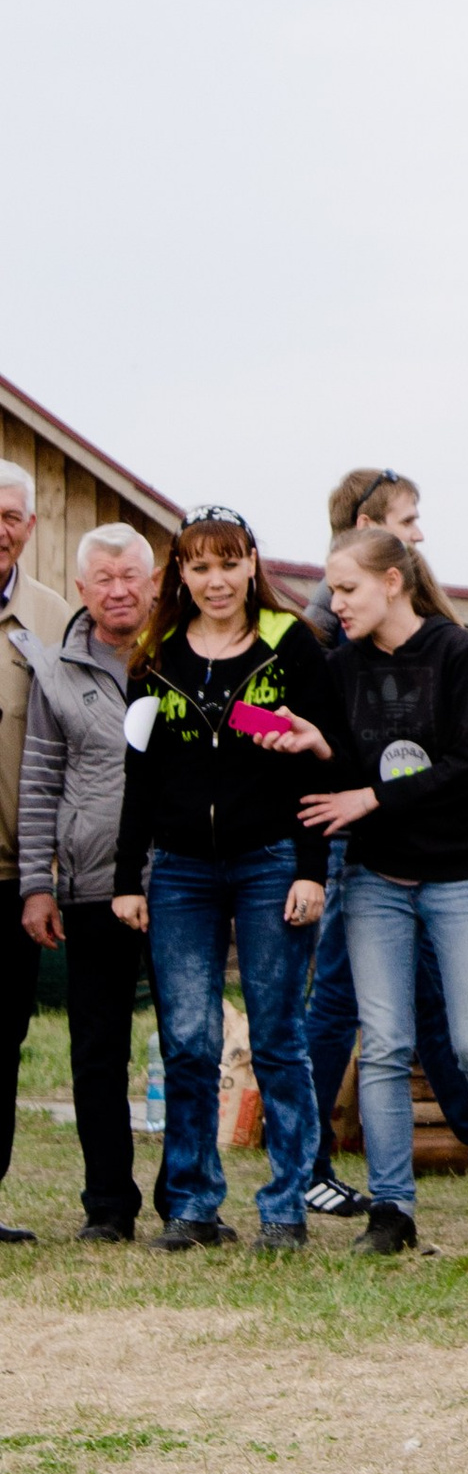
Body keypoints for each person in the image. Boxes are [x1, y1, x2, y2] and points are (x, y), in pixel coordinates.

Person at [299, 471, 468, 1217]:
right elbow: (348, 773)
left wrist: (370, 796)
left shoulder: (455, 653)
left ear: (390, 581)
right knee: (381, 1043)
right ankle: (391, 1208)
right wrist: (323, 747)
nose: (335, 603)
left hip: (462, 878)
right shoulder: (341, 667)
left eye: (346, 588)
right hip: (380, 878)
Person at [111, 506, 337, 1251]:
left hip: (271, 858)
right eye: (199, 565)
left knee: (277, 1036)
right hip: (178, 869)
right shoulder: (156, 653)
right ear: (181, 573)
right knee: (187, 1037)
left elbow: (318, 758)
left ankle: (285, 1207)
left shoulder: (291, 645)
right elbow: (138, 777)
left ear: (251, 565)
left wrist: (312, 870)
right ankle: (193, 1204)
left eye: (228, 562)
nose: (215, 579)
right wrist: (128, 876)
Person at [18, 524, 160, 1239]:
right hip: (90, 883)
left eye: (130, 574)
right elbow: (40, 780)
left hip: (180, 880)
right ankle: (108, 1204)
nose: (118, 588)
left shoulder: (183, 657)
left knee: (188, 1042)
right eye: (103, 577)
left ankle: (187, 1199)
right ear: (81, 588)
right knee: (96, 1049)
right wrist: (35, 886)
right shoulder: (58, 666)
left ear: (154, 580)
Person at [0, 464, 70, 1244]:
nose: (1, 526)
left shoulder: (52, 617)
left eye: (13, 514)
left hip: (15, 878)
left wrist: (44, 875)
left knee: (3, 1038)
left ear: (31, 525)